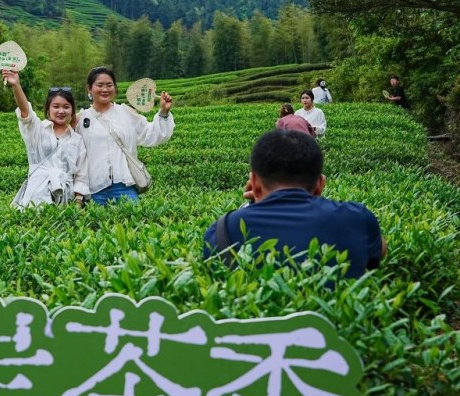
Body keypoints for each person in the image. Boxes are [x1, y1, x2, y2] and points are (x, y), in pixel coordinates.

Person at [203, 129, 387, 278]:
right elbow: (378, 252)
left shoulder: (222, 229)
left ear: (254, 183)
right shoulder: (358, 218)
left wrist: (252, 206)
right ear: (320, 185)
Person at [76, 66, 174, 205]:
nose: (105, 89)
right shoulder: (81, 119)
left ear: (115, 88)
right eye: (100, 85)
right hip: (94, 188)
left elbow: (150, 134)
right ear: (89, 89)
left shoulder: (125, 113)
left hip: (124, 185)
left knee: (133, 217)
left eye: (109, 85)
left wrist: (164, 112)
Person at [3, 69, 89, 209]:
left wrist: (78, 204)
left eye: (66, 107)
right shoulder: (38, 129)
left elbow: (81, 174)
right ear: (48, 110)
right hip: (37, 194)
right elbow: (25, 111)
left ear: (72, 111)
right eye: (56, 106)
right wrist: (16, 85)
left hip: (65, 197)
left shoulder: (77, 139)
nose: (61, 111)